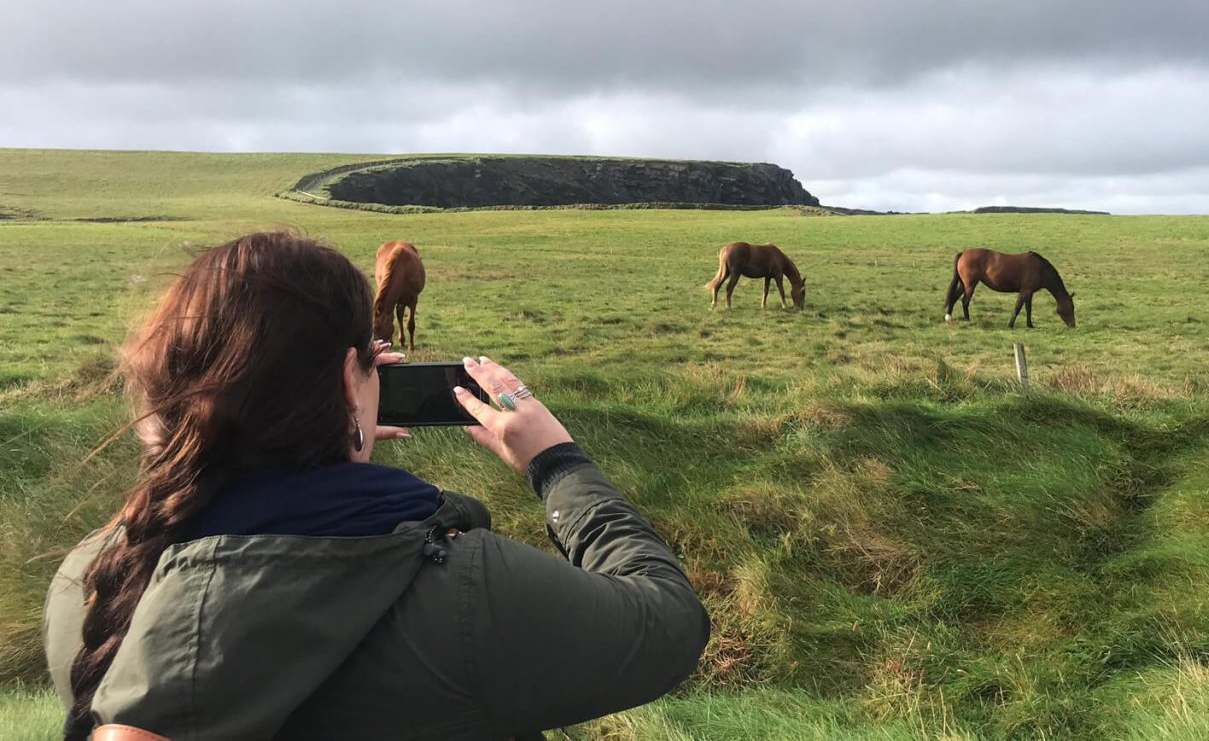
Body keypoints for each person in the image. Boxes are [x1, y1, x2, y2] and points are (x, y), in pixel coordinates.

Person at [42, 232, 710, 740]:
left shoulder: (89, 585)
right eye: (370, 365)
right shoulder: (465, 599)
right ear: (346, 381)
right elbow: (669, 623)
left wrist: (335, 446)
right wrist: (557, 463)